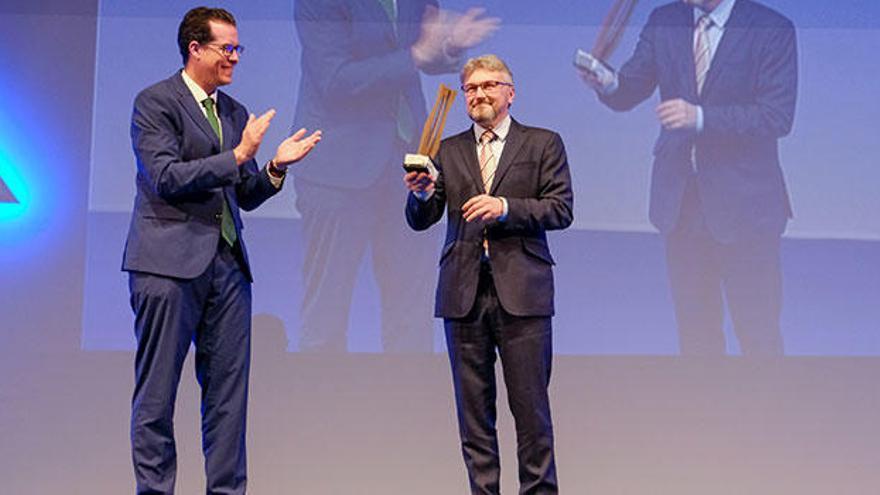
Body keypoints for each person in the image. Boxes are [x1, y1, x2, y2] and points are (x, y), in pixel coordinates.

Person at [122, 7, 321, 493]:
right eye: (226, 48)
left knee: (229, 400)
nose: (234, 58)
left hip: (228, 269)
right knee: (157, 395)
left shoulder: (231, 111)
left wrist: (273, 166)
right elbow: (164, 177)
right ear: (195, 48)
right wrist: (236, 156)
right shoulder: (156, 103)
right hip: (167, 266)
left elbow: (243, 193)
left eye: (237, 49)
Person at [579, 0, 797, 356]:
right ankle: (702, 409)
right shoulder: (665, 19)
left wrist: (701, 118)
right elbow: (631, 87)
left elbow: (776, 116)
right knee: (696, 331)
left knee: (757, 329)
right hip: (681, 205)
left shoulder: (772, 28)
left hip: (748, 208)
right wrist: (606, 82)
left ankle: (765, 408)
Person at [405, 54, 573, 494]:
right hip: (463, 293)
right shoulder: (448, 149)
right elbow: (422, 218)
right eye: (471, 89)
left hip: (523, 293)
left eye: (489, 86)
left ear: (510, 93)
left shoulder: (542, 143)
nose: (479, 94)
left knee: (531, 413)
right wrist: (422, 195)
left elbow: (561, 209)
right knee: (474, 419)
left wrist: (506, 208)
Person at [291, 0, 498, 352]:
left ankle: (409, 402)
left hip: (409, 170)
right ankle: (321, 400)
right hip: (338, 170)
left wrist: (449, 44)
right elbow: (335, 79)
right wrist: (416, 54)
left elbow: (426, 54)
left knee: (411, 313)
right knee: (327, 310)